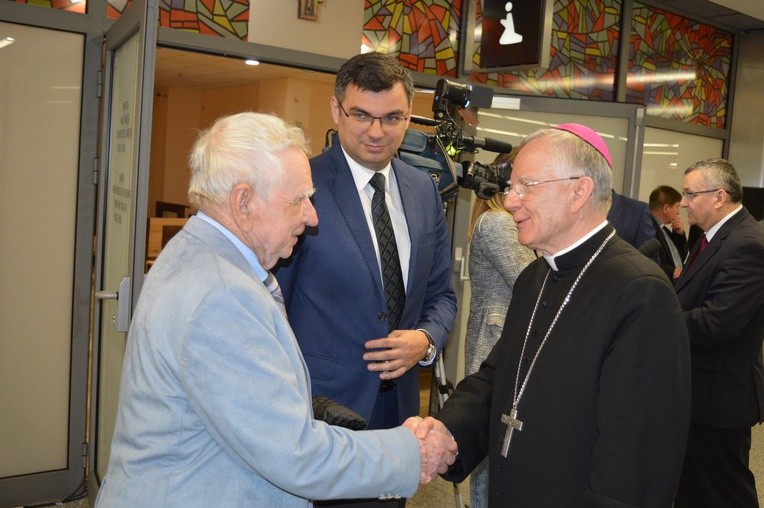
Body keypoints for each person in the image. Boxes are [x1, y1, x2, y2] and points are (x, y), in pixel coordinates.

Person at [94, 112, 457, 507]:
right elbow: (295, 455)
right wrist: (410, 453)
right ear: (243, 201)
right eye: (299, 200)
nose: (312, 216)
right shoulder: (221, 296)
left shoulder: (197, 252)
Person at [414, 123, 691, 506]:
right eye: (511, 187)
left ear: (579, 191)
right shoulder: (535, 276)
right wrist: (447, 431)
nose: (510, 200)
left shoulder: (640, 293)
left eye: (526, 186)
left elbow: (637, 457)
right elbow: (500, 378)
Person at [275, 52, 456, 435]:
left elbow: (441, 296)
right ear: (336, 111)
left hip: (402, 411)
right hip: (321, 411)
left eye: (392, 118)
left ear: (408, 116)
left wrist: (424, 341)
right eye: (361, 115)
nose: (376, 132)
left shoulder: (424, 190)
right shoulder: (302, 188)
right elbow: (274, 306)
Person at [673, 158, 764, 507]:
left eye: (690, 194)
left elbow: (717, 324)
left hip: (719, 400)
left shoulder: (746, 244)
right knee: (692, 492)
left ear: (719, 197)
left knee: (724, 495)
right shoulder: (713, 236)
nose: (682, 202)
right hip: (699, 395)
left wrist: (659, 318)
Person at [463, 150, 536, 508]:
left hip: (498, 346)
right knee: (492, 459)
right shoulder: (497, 223)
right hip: (495, 349)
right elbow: (531, 280)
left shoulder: (501, 221)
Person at [648, 185, 689, 280]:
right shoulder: (647, 228)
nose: (678, 212)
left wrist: (679, 234)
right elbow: (645, 261)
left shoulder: (664, 229)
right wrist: (671, 271)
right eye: (677, 206)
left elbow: (681, 256)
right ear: (666, 208)